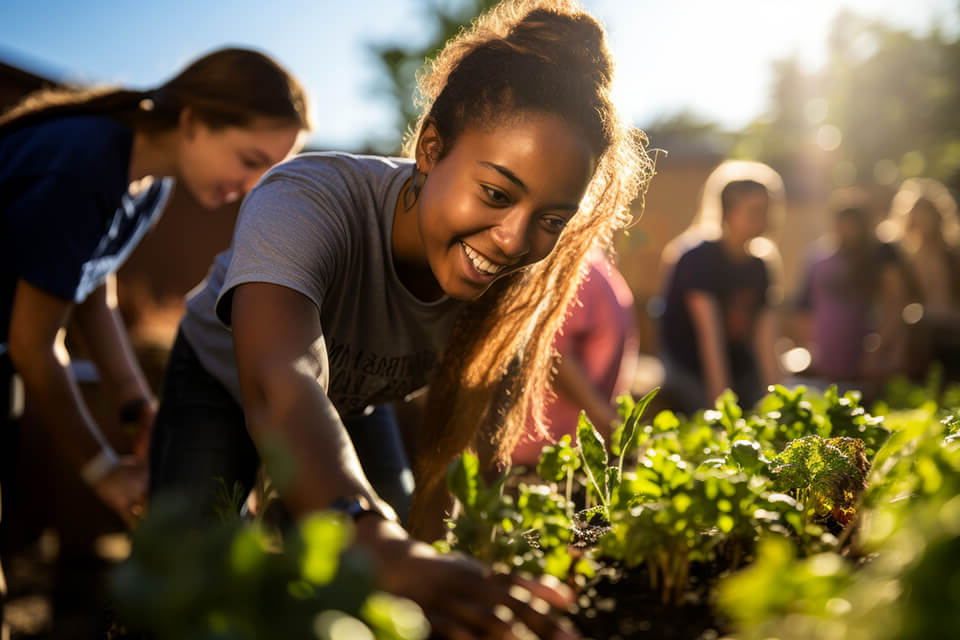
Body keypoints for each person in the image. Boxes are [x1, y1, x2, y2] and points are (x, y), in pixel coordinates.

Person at [148, 1, 654, 637]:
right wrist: (373, 540)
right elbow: (282, 386)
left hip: (355, 403)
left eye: (552, 219)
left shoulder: (516, 283)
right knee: (192, 578)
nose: (514, 240)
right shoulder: (305, 201)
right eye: (496, 193)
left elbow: (464, 463)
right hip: (222, 384)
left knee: (404, 567)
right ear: (431, 147)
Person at [0, 47, 309, 628]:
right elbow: (33, 343)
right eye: (248, 159)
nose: (248, 188)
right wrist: (104, 472)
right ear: (191, 120)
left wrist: (136, 405)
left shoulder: (147, 182)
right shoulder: (84, 161)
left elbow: (93, 290)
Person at [658, 161, 784, 415]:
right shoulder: (698, 258)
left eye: (766, 210)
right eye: (754, 211)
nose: (764, 219)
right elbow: (710, 337)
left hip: (737, 365)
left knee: (759, 404)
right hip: (689, 366)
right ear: (727, 212)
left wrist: (781, 401)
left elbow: (765, 340)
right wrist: (722, 410)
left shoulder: (760, 266)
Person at [511, 249, 638, 468]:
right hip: (547, 452)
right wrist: (604, 418)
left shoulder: (594, 266)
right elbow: (551, 352)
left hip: (569, 449)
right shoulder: (579, 269)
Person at [793, 189, 909, 393]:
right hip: (829, 356)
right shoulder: (819, 259)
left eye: (853, 225)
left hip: (870, 355)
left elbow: (896, 303)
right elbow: (804, 309)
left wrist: (879, 348)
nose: (848, 232)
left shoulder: (880, 255)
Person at [880, 177, 960, 380]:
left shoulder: (952, 254)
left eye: (927, 213)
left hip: (952, 329)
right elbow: (897, 301)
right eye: (918, 213)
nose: (923, 219)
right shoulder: (904, 257)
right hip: (921, 334)